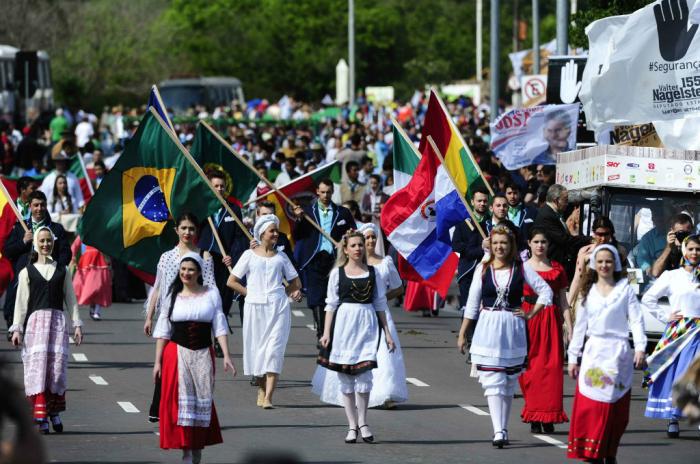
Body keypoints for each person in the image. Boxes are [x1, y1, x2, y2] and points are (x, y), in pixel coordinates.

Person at [457, 225, 553, 448]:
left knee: (508, 382)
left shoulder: (521, 268)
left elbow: (546, 291)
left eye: (504, 243)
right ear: (490, 244)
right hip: (488, 327)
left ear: (510, 246)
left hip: (512, 328)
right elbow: (472, 304)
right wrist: (462, 333)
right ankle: (498, 430)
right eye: (496, 243)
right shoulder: (483, 268)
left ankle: (503, 428)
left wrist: (530, 313)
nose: (499, 247)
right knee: (494, 382)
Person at [312, 223, 407, 409]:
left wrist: (378, 298)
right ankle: (348, 395)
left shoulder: (385, 262)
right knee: (350, 355)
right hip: (352, 316)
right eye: (367, 238)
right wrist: (327, 331)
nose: (370, 241)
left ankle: (384, 393)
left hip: (376, 314)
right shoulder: (344, 270)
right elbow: (332, 301)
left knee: (381, 355)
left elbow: (398, 288)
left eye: (373, 237)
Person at [152, 253, 236, 464]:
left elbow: (219, 325)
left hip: (202, 354)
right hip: (176, 353)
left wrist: (226, 355)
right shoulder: (172, 296)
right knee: (181, 403)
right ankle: (186, 452)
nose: (186, 274)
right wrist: (157, 362)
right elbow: (163, 330)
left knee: (201, 401)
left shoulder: (211, 294)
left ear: (199, 272)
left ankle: (196, 449)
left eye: (190, 270)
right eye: (183, 270)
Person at [567, 244, 646, 463]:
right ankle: (593, 451)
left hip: (618, 352)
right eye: (600, 261)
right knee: (592, 405)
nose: (604, 265)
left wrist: (640, 347)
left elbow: (636, 320)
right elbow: (580, 327)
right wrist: (573, 357)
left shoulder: (625, 289)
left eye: (608, 261)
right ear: (594, 264)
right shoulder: (587, 291)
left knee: (614, 407)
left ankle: (609, 450)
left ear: (616, 264)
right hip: (595, 352)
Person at [316, 230, 396, 443]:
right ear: (346, 249)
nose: (358, 248)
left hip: (367, 324)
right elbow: (330, 305)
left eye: (361, 245)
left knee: (364, 376)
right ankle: (352, 425)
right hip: (344, 325)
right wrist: (326, 333)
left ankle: (363, 421)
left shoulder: (373, 272)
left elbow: (380, 303)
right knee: (346, 378)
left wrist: (387, 333)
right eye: (354, 245)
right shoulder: (337, 273)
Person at [144, 213, 217, 423]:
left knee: (192, 367)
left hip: (194, 319)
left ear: (197, 232)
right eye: (183, 228)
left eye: (191, 229)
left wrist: (211, 319)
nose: (187, 232)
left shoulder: (205, 257)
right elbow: (157, 288)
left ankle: (192, 410)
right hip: (169, 317)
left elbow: (210, 287)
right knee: (165, 363)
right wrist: (149, 317)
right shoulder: (167, 257)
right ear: (176, 230)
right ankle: (160, 407)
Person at [9, 227, 83, 434]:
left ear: (53, 242)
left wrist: (76, 324)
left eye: (48, 241)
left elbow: (71, 299)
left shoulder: (62, 269)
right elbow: (21, 303)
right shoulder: (27, 272)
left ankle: (54, 412)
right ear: (36, 244)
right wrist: (17, 329)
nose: (45, 244)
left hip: (57, 323)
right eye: (41, 241)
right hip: (36, 325)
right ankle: (40, 415)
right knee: (38, 369)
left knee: (56, 370)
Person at [228, 215, 301, 409]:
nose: (276, 234)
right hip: (255, 308)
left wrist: (283, 293)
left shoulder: (282, 257)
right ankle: (261, 388)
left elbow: (296, 281)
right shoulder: (249, 255)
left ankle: (269, 396)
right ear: (261, 233)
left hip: (278, 309)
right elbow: (232, 281)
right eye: (272, 231)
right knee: (259, 352)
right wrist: (249, 293)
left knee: (274, 351)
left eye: (276, 230)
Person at [642, 234, 700, 438]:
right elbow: (648, 298)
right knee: (678, 375)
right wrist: (666, 315)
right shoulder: (672, 275)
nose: (695, 253)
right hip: (680, 332)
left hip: (699, 332)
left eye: (698, 249)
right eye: (691, 249)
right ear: (684, 250)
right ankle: (673, 418)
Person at [519, 228, 572, 434]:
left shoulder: (557, 268)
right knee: (531, 369)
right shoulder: (522, 268)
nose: (540, 245)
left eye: (544, 242)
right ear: (529, 244)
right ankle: (533, 413)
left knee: (551, 369)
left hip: (551, 320)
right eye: (536, 242)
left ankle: (549, 416)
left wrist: (569, 325)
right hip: (529, 317)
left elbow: (563, 300)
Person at [292, 178, 356, 339]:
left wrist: (347, 239)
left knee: (335, 296)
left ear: (333, 192)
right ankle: (321, 333)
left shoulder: (343, 213)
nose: (326, 195)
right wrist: (298, 219)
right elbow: (298, 235)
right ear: (317, 192)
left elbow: (353, 233)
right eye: (322, 192)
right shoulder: (307, 212)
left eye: (328, 192)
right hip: (315, 259)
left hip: (336, 260)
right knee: (316, 296)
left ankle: (334, 331)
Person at [3, 191, 72, 331]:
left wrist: (57, 269)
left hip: (48, 277)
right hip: (24, 274)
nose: (39, 209)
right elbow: (7, 251)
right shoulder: (20, 227)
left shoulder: (56, 229)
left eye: (42, 205)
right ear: (30, 206)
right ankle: (15, 328)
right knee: (15, 303)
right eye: (36, 205)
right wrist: (23, 241)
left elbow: (66, 252)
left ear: (46, 206)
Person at [198, 170, 248, 327]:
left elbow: (239, 237)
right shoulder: (202, 208)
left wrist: (232, 256)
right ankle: (209, 335)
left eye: (222, 186)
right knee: (207, 298)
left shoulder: (233, 209)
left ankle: (220, 331)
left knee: (224, 299)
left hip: (226, 261)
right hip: (206, 260)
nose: (219, 189)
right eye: (216, 186)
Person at [532, 184, 590, 280]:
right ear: (556, 200)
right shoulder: (547, 215)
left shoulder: (554, 213)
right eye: (565, 200)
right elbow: (563, 239)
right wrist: (589, 240)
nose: (567, 203)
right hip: (551, 267)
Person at [569, 217, 627, 304]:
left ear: (611, 234)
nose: (603, 238)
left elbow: (625, 277)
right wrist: (568, 304)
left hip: (611, 299)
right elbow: (577, 279)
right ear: (594, 234)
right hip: (586, 299)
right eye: (600, 234)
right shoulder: (585, 252)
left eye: (606, 234)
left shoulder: (620, 251)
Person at [452, 187, 490, 308]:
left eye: (485, 201)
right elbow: (456, 245)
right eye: (479, 201)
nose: (482, 203)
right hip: (468, 271)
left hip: (488, 272)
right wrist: (481, 248)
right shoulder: (463, 223)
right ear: (472, 202)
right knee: (468, 309)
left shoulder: (492, 223)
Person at [636, 213, 693, 278]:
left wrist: (687, 247)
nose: (684, 237)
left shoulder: (696, 245)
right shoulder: (648, 239)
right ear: (672, 231)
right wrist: (669, 246)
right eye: (680, 233)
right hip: (659, 281)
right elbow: (654, 273)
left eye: (687, 234)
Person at [70, 235, 111, 321]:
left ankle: (97, 310)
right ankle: (93, 305)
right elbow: (75, 245)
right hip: (87, 262)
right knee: (87, 286)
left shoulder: (102, 232)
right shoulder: (83, 233)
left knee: (99, 287)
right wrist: (73, 257)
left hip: (101, 261)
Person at [39, 144, 85, 210]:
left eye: (62, 161)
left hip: (72, 215)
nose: (60, 163)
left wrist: (81, 208)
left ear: (65, 162)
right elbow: (42, 198)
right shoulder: (48, 179)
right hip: (54, 216)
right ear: (54, 163)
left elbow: (79, 197)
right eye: (58, 161)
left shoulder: (73, 177)